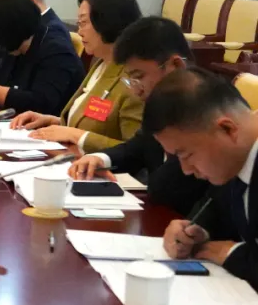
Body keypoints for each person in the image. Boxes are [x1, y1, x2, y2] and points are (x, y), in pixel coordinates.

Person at [68, 17, 209, 216]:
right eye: (130, 80)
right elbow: (138, 147)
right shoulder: (163, 104)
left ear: (175, 65)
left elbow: (169, 189)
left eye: (139, 77)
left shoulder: (206, 109)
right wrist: (100, 158)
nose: (136, 91)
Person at [147, 68, 258, 289]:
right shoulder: (235, 157)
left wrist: (233, 254)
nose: (186, 170)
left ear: (227, 129)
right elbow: (217, 202)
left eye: (186, 155)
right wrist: (196, 230)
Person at [11, 0, 144, 153]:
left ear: (107, 22)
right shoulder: (101, 64)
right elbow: (91, 122)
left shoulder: (135, 79)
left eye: (84, 23)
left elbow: (136, 151)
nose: (79, 32)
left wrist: (76, 135)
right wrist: (53, 121)